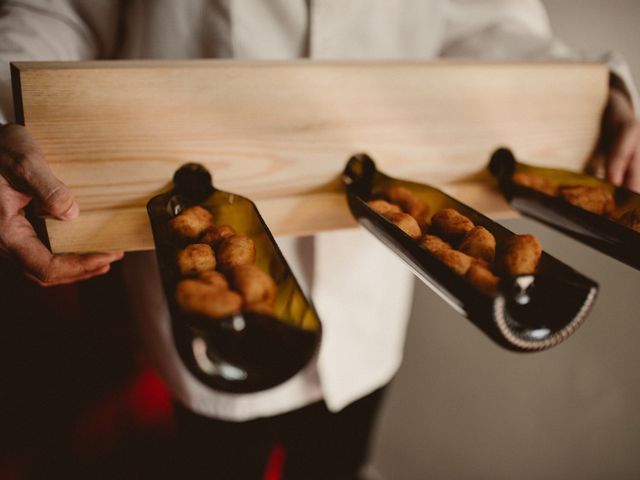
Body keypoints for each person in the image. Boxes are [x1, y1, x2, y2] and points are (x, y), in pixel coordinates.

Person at [0, 1, 638, 478]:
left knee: (342, 456)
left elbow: (487, 20)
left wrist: (585, 93)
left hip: (369, 276)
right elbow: (62, 10)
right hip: (197, 288)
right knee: (213, 460)